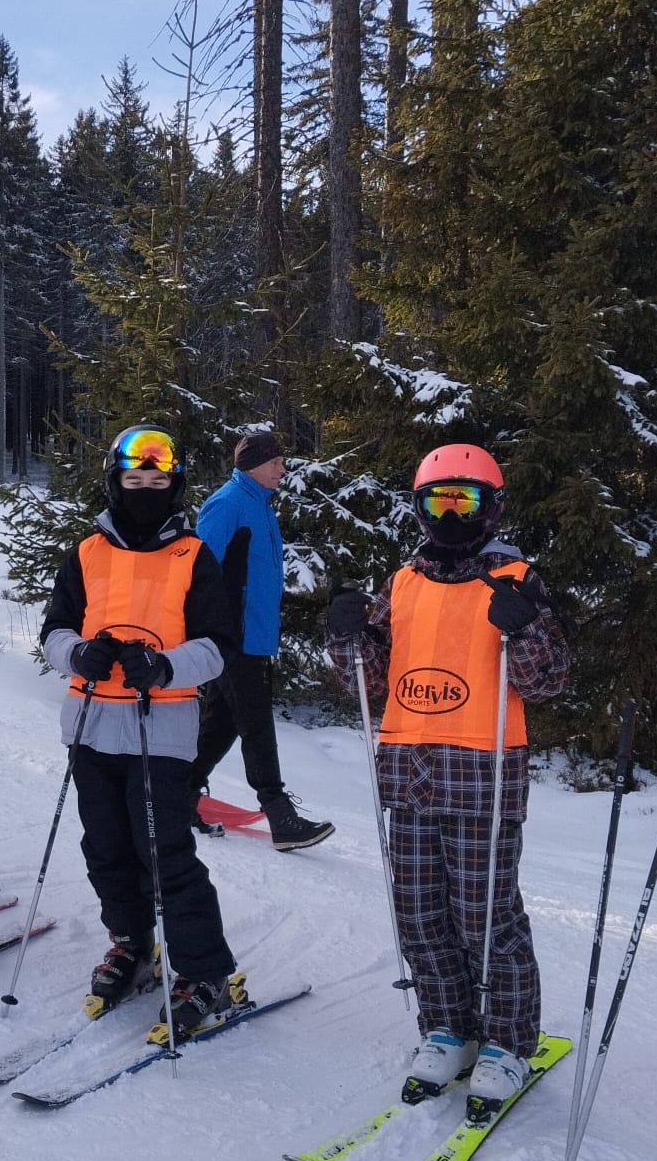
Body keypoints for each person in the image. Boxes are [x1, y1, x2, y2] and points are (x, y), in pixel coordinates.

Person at [324, 443, 571, 1119]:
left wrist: (527, 629)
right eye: (440, 499)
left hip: (482, 772)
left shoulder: (517, 578)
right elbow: (367, 681)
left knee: (485, 915)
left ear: (492, 507)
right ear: (420, 507)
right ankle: (447, 1027)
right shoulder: (402, 583)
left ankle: (508, 1040)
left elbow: (548, 682)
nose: (452, 513)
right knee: (420, 913)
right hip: (408, 769)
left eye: (466, 499)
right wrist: (347, 636)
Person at [40, 425, 245, 1043]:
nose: (145, 491)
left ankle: (206, 971)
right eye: (134, 480)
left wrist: (163, 666)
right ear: (115, 482)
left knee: (165, 853)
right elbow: (53, 631)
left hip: (162, 730)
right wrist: (78, 655)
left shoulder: (193, 556)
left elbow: (219, 647)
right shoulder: (86, 553)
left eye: (158, 482)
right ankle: (132, 943)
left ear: (174, 486)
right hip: (92, 726)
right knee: (105, 847)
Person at [189, 430, 333, 850]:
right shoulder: (228, 503)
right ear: (253, 465)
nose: (282, 470)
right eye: (275, 462)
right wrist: (215, 624)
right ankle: (280, 817)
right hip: (233, 634)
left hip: (253, 633)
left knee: (222, 723)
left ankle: (179, 792)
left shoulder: (260, 505)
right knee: (256, 724)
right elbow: (198, 570)